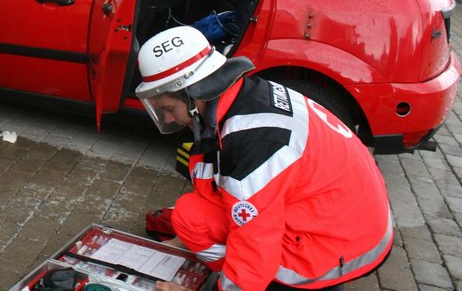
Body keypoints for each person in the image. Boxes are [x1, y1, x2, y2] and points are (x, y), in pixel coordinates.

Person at [136, 26, 393, 291]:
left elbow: (255, 245)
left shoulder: (255, 146)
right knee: (190, 217)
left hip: (344, 244)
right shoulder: (243, 97)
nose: (168, 119)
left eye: (169, 108)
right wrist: (179, 246)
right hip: (340, 216)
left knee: (248, 259)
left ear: (193, 95)